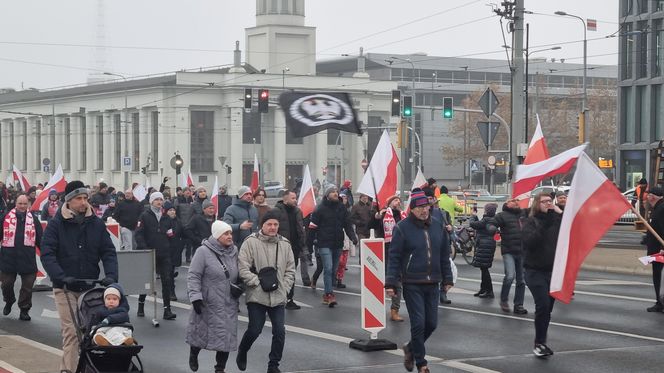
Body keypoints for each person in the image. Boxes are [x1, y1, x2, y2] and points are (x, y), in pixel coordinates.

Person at [40, 180, 118, 373]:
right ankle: (68, 370)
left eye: (85, 198)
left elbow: (108, 251)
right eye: (79, 198)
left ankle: (88, 367)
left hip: (90, 286)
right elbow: (47, 254)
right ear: (69, 201)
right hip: (65, 287)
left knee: (91, 333)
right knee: (72, 333)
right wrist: (61, 276)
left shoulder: (96, 224)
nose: (84, 202)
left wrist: (111, 276)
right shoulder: (56, 224)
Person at [385, 188, 454, 373]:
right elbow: (395, 256)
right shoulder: (402, 228)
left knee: (431, 323)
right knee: (418, 323)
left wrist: (448, 278)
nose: (424, 210)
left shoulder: (438, 226)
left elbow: (443, 255)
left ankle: (411, 348)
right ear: (413, 209)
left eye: (427, 206)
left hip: (433, 282)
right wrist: (391, 282)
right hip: (412, 282)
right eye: (420, 207)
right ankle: (421, 363)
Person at [237, 209, 295, 373]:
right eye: (269, 224)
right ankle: (243, 350)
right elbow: (243, 267)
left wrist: (285, 287)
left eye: (275, 224)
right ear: (262, 225)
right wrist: (256, 282)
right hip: (257, 295)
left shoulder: (285, 244)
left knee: (279, 332)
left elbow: (290, 269)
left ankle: (273, 365)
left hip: (278, 295)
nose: (273, 227)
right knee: (255, 329)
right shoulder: (250, 242)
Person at [187, 220, 240, 373]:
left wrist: (241, 283)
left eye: (230, 233)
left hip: (229, 302)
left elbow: (239, 271)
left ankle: (220, 368)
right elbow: (194, 275)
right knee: (201, 333)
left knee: (226, 337)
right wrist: (196, 297)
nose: (230, 236)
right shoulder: (202, 252)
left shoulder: (234, 251)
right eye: (226, 233)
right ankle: (193, 353)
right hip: (207, 302)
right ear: (217, 236)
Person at [522, 192, 563, 358]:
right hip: (534, 271)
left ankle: (542, 340)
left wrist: (560, 212)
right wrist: (544, 225)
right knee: (543, 305)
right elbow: (529, 242)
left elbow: (573, 225)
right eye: (544, 201)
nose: (548, 204)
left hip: (552, 271)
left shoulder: (556, 221)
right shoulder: (530, 221)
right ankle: (539, 343)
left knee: (547, 310)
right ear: (536, 204)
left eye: (549, 201)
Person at [307, 185, 357, 307]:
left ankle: (327, 292)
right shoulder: (320, 209)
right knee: (328, 268)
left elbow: (347, 224)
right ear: (327, 195)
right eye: (332, 192)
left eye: (336, 191)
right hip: (324, 243)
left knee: (333, 270)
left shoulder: (341, 208)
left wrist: (353, 237)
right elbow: (312, 228)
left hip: (337, 243)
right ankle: (328, 294)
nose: (336, 193)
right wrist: (308, 246)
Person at [134, 192, 176, 320]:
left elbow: (170, 235)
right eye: (156, 199)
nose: (159, 201)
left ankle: (167, 310)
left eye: (161, 199)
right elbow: (139, 234)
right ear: (151, 201)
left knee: (167, 280)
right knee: (147, 280)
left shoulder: (166, 218)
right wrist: (144, 248)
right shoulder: (144, 216)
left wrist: (170, 247)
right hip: (150, 253)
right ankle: (141, 305)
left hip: (164, 253)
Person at [0, 195, 44, 321]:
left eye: (25, 204)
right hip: (9, 258)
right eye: (20, 203)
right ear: (16, 204)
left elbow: (40, 239)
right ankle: (9, 300)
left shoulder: (34, 220)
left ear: (28, 205)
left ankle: (24, 309)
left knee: (27, 287)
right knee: (6, 285)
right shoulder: (5, 218)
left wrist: (47, 254)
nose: (22, 206)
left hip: (27, 258)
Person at [375, 195, 407, 321]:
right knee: (394, 279)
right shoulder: (383, 215)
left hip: (403, 250)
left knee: (402, 280)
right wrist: (377, 216)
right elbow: (371, 226)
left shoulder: (403, 215)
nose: (398, 201)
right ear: (389, 203)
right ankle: (394, 310)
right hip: (389, 250)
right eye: (395, 200)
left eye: (399, 200)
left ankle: (395, 309)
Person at [493, 198, 528, 314]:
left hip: (522, 251)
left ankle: (518, 305)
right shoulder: (502, 215)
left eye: (518, 201)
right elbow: (492, 223)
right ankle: (503, 300)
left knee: (521, 280)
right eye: (513, 200)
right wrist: (492, 229)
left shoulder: (523, 215)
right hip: (508, 250)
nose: (516, 202)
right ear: (507, 204)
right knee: (509, 276)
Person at [274, 190, 306, 310]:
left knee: (291, 274)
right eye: (293, 198)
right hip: (281, 248)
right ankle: (277, 297)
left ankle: (289, 298)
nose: (295, 200)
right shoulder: (277, 211)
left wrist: (303, 244)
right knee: (280, 273)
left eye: (295, 198)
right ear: (285, 199)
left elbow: (301, 228)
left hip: (295, 247)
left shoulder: (298, 211)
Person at [424, 187, 453, 304]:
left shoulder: (441, 212)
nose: (429, 201)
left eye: (431, 198)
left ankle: (443, 293)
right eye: (426, 198)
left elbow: (448, 225)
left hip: (440, 245)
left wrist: (450, 228)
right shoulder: (419, 213)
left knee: (444, 268)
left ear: (434, 199)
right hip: (425, 247)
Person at [469, 203, 498, 298]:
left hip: (485, 245)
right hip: (488, 245)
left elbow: (473, 224)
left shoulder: (486, 220)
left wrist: (473, 215)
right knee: (483, 268)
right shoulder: (491, 219)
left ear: (486, 211)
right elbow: (480, 225)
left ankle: (489, 291)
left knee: (484, 269)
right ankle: (483, 289)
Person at [644, 186, 664, 312]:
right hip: (656, 249)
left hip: (660, 250)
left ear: (653, 196)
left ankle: (660, 302)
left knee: (657, 275)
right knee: (656, 275)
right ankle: (659, 301)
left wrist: (662, 247)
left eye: (648, 194)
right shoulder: (657, 208)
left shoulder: (661, 209)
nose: (646, 197)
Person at [163, 200, 184, 301]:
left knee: (171, 271)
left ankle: (170, 291)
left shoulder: (178, 221)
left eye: (173, 210)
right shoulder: (163, 221)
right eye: (170, 210)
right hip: (166, 250)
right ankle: (171, 292)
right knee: (168, 273)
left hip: (175, 250)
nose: (172, 212)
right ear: (166, 211)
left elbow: (183, 233)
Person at [175, 187, 196, 262]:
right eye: (186, 191)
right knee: (181, 243)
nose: (188, 192)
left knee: (189, 243)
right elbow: (175, 212)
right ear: (183, 192)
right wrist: (178, 222)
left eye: (189, 191)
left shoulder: (193, 200)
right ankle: (178, 257)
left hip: (190, 224)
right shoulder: (178, 200)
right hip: (181, 225)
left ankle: (188, 257)